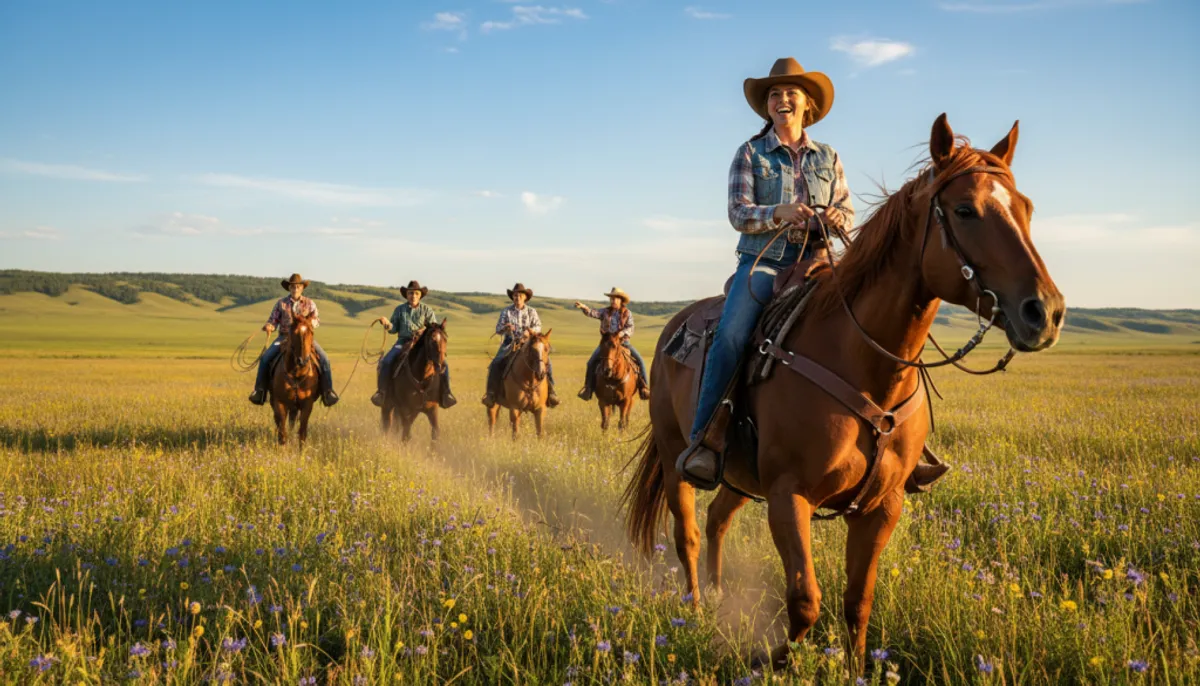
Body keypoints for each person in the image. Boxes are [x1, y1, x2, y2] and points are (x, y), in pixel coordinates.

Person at [676, 57, 854, 487]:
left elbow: (849, 212)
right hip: (763, 263)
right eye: (774, 94)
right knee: (732, 335)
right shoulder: (751, 153)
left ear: (807, 104)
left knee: (871, 317)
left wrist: (835, 216)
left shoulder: (828, 156)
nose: (782, 99)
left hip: (818, 262)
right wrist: (780, 211)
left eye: (791, 92)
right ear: (767, 107)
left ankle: (899, 438)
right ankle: (706, 438)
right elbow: (739, 213)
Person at [249, 273, 339, 407]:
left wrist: (308, 324)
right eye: (292, 286)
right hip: (284, 337)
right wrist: (270, 326)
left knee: (325, 358)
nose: (295, 288)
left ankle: (328, 392)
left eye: (298, 286)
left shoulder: (310, 303)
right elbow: (273, 320)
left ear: (302, 288)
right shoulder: (281, 303)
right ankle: (260, 391)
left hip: (304, 338)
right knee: (265, 358)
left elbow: (316, 319)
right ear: (289, 288)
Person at [371, 280, 456, 409]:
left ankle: (446, 394)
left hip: (422, 344)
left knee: (443, 363)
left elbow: (434, 327)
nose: (413, 296)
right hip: (403, 342)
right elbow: (394, 329)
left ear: (420, 295)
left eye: (416, 293)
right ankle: (382, 393)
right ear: (407, 295)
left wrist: (423, 330)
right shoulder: (399, 310)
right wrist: (387, 323)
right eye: (411, 293)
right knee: (387, 361)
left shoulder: (427, 310)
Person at [482, 283, 560, 408]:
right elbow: (498, 329)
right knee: (496, 363)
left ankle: (551, 392)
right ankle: (491, 394)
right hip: (510, 343)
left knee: (547, 362)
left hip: (529, 343)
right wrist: (505, 327)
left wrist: (529, 332)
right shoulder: (506, 311)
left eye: (519, 295)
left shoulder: (531, 311)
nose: (517, 297)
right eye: (515, 295)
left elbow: (538, 325)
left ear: (525, 298)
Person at [574, 287, 650, 400]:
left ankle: (644, 388)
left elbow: (631, 327)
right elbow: (593, 313)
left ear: (621, 300)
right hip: (607, 344)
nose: (613, 300)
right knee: (591, 362)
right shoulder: (605, 312)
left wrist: (621, 334)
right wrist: (584, 307)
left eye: (616, 298)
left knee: (639, 360)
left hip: (623, 343)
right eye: (612, 298)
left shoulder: (627, 313)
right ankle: (588, 389)